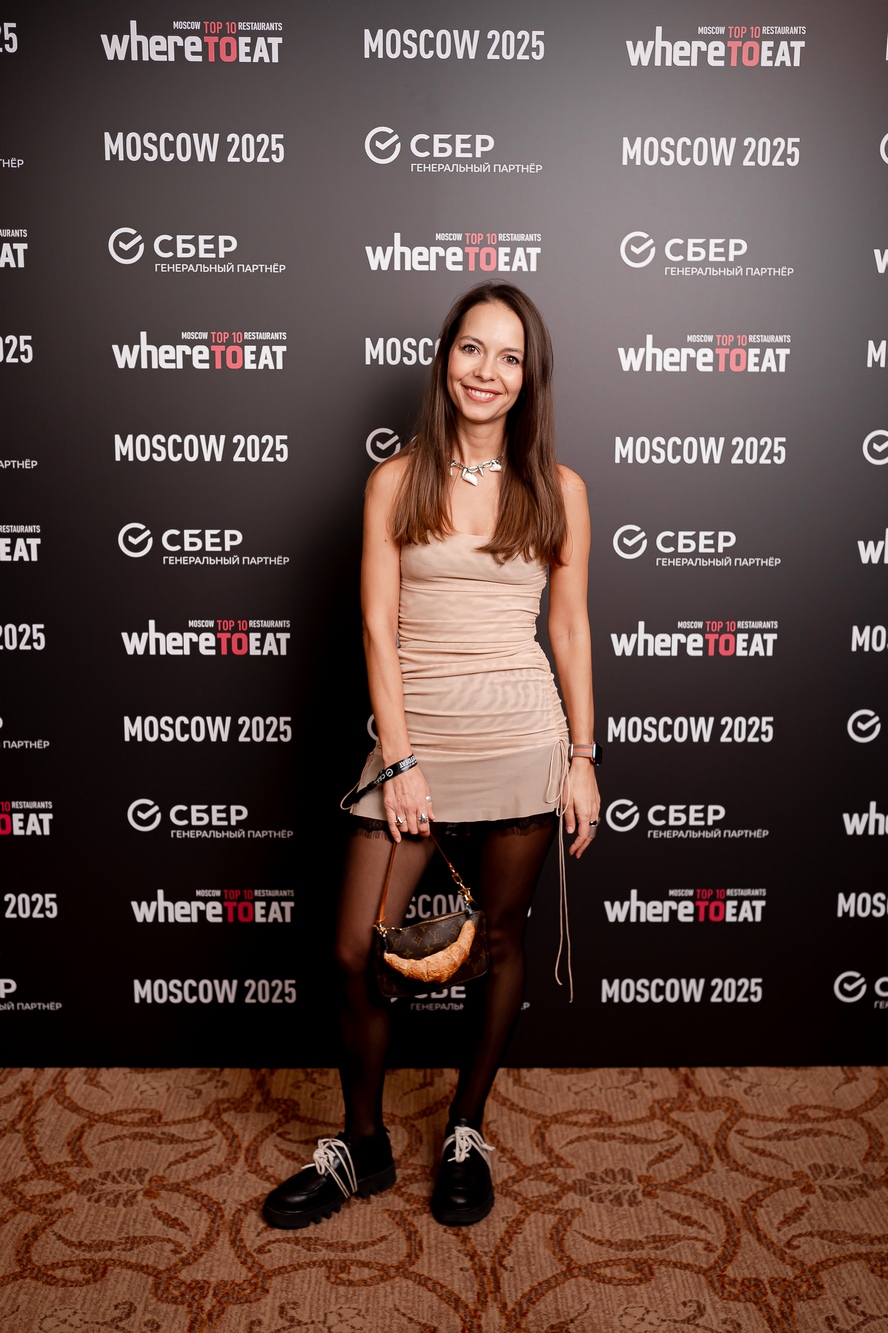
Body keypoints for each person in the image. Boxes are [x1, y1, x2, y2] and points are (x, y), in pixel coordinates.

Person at [263, 281, 600, 1231]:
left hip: (523, 736)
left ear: (529, 377)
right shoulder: (396, 480)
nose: (486, 371)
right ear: (445, 357)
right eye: (471, 348)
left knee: (499, 942)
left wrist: (582, 756)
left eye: (509, 356)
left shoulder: (561, 488)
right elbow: (378, 627)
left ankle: (465, 1128)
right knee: (353, 949)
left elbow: (570, 629)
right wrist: (401, 761)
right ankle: (363, 1145)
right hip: (416, 741)